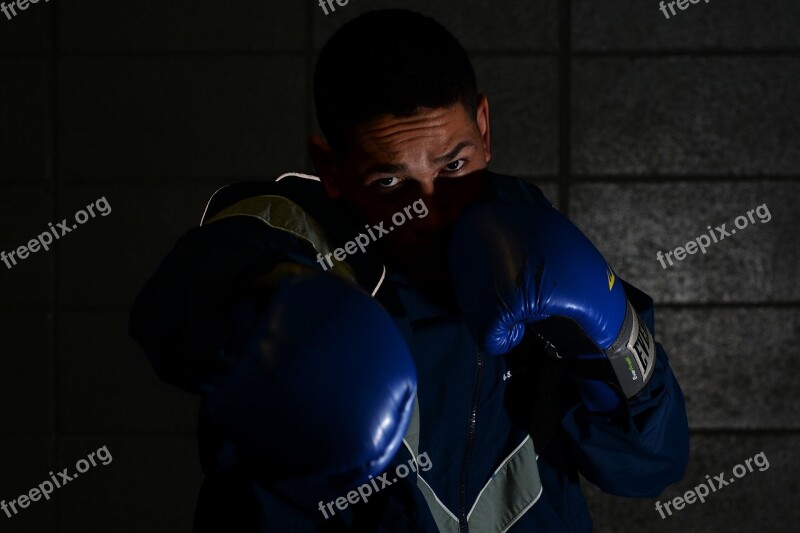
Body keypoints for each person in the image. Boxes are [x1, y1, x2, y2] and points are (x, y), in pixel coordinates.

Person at [130, 9, 689, 532]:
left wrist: (611, 336)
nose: (431, 211)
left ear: (485, 128)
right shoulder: (289, 238)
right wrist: (277, 307)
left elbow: (648, 467)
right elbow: (184, 300)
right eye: (390, 184)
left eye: (454, 165)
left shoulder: (530, 233)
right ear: (331, 168)